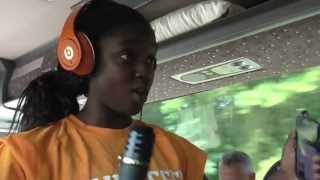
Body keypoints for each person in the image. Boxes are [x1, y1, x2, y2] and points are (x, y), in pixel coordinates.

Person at [0, 1, 207, 179]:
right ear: (84, 60)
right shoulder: (24, 156)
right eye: (126, 56)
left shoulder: (180, 152)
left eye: (150, 59)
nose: (144, 71)